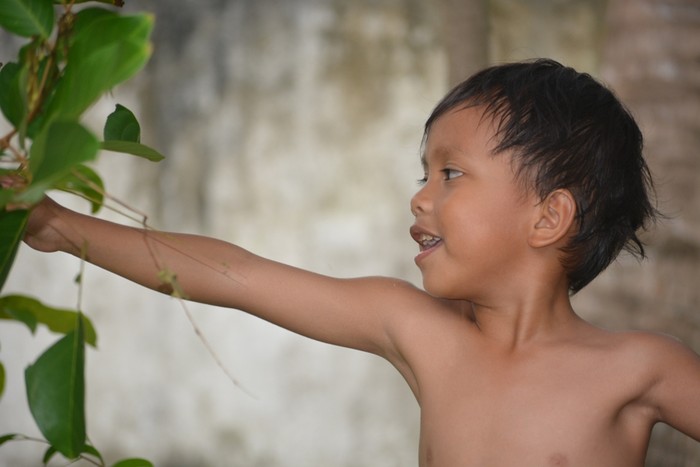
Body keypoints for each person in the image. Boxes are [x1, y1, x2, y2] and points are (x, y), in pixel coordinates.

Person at [22, 59, 700, 466]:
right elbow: (238, 275)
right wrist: (57, 225)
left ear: (548, 217)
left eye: (451, 173)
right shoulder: (420, 331)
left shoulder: (640, 366)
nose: (420, 196)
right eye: (424, 172)